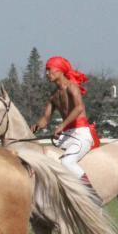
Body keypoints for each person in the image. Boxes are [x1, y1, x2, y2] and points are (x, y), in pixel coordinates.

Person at [33, 56, 101, 200]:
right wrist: (34, 127)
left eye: (49, 70)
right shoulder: (53, 96)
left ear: (60, 71)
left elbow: (78, 108)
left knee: (67, 162)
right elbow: (45, 119)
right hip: (67, 136)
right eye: (46, 70)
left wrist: (61, 126)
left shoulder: (72, 87)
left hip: (81, 133)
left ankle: (92, 195)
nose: (46, 73)